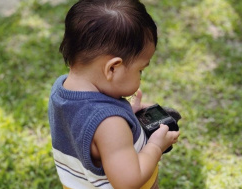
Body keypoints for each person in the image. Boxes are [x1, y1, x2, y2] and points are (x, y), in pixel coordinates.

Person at [48, 0, 180, 188]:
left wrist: (125, 112)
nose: (140, 77)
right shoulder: (110, 124)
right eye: (140, 70)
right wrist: (156, 146)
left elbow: (86, 128)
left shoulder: (61, 89)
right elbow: (129, 181)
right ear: (112, 68)